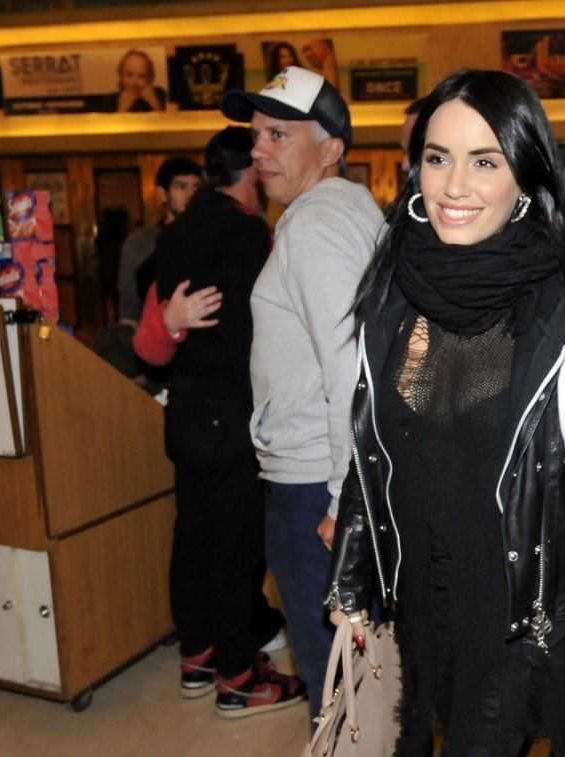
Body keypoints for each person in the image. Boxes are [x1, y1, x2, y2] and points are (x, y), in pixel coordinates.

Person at [325, 69, 565, 756]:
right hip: (423, 591)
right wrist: (349, 579)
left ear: (526, 175)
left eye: (485, 161)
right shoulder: (393, 287)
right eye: (438, 158)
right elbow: (372, 447)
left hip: (517, 606)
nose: (454, 186)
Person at [219, 65, 384, 723]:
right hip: (330, 477)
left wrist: (345, 501)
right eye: (256, 134)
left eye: (279, 134)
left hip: (315, 486)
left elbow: (350, 365)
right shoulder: (350, 211)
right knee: (362, 676)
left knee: (336, 683)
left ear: (331, 148)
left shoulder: (316, 225)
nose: (258, 150)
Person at [132, 126, 306, 718]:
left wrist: (170, 322)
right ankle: (238, 677)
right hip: (230, 411)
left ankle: (199, 656)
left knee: (194, 538)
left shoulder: (177, 232)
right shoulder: (245, 232)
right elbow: (261, 332)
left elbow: (149, 336)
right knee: (234, 548)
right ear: (251, 170)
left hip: (184, 408)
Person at [117, 157, 202, 325]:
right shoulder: (139, 243)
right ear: (163, 193)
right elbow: (129, 308)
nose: (191, 194)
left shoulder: (208, 235)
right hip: (154, 331)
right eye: (181, 187)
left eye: (196, 187)